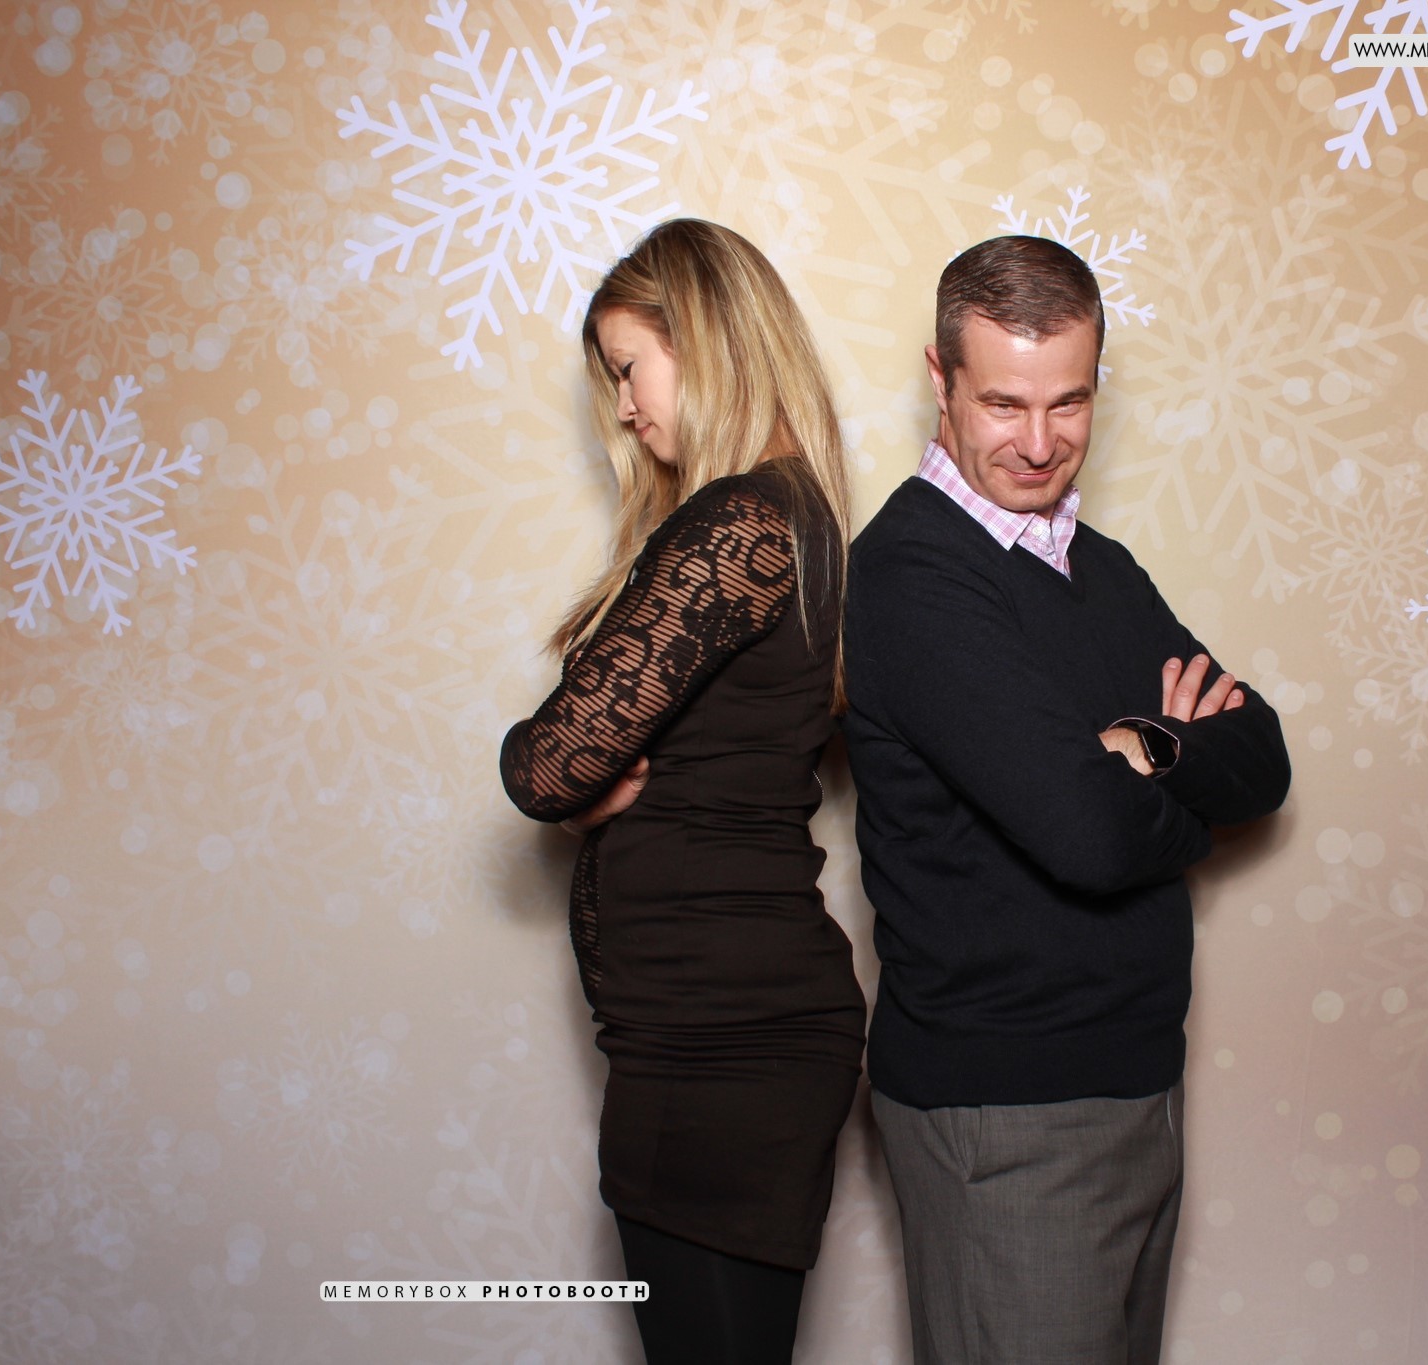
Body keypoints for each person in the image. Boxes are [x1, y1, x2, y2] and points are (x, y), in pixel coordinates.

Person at [843, 234, 1293, 1363]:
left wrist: (1139, 744)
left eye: (1069, 402)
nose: (1040, 443)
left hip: (1136, 1081)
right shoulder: (914, 574)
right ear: (940, 379)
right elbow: (1086, 835)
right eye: (1004, 403)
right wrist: (1159, 770)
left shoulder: (1102, 568)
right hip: (1005, 1109)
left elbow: (1263, 759)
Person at [498, 218, 864, 1365]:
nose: (622, 409)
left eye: (628, 368)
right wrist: (586, 788)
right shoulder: (791, 519)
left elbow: (544, 763)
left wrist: (565, 780)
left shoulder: (740, 522)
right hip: (720, 1031)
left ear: (700, 340)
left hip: (717, 1041)